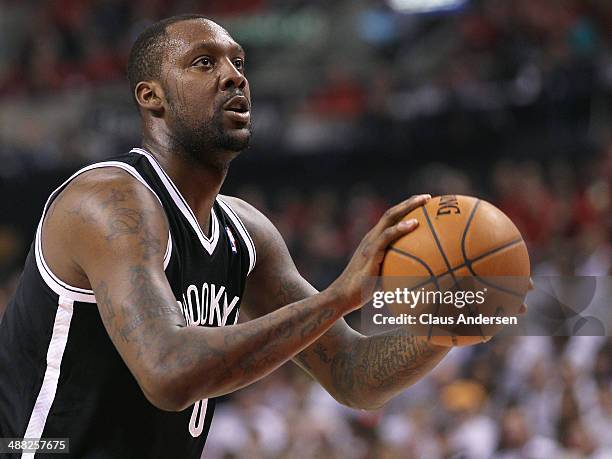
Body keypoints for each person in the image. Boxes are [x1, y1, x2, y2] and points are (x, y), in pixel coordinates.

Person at [0, 15, 451, 458]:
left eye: (239, 62)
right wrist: (337, 298)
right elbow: (168, 372)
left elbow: (354, 375)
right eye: (204, 62)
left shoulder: (244, 233)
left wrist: (456, 320)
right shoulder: (107, 201)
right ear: (151, 96)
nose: (234, 76)